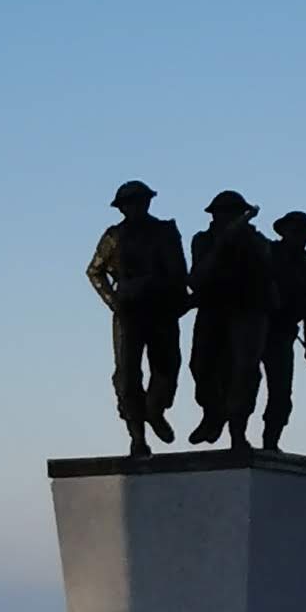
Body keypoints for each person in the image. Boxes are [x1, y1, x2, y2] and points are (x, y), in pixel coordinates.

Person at [85, 181, 190, 456]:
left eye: (140, 201)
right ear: (122, 208)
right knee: (127, 375)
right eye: (129, 203)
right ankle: (137, 435)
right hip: (129, 311)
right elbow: (94, 271)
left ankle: (155, 410)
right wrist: (114, 302)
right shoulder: (114, 236)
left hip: (162, 309)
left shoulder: (165, 231)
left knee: (167, 367)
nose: (135, 207)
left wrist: (178, 298)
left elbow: (180, 271)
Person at [186, 191, 274, 449]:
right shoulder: (203, 240)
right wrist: (223, 243)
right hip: (213, 310)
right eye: (221, 213)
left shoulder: (257, 242)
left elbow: (265, 276)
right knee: (200, 366)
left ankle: (238, 430)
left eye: (231, 213)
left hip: (246, 312)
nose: (224, 217)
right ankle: (213, 414)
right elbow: (197, 277)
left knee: (243, 372)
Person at [260, 209, 306, 455]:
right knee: (245, 383)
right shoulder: (267, 252)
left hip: (283, 334)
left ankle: (270, 443)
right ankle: (239, 437)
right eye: (294, 230)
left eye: (303, 233)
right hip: (257, 328)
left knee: (281, 393)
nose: (298, 236)